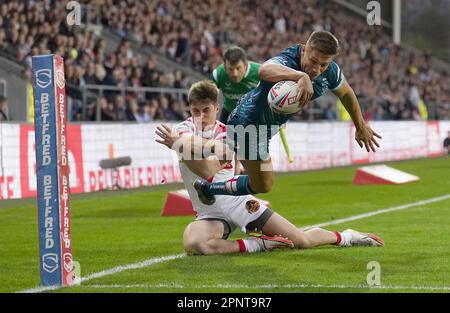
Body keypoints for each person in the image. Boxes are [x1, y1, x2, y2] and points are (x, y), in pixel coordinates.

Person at [155, 80, 384, 255]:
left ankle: (346, 236)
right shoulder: (183, 128)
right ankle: (258, 244)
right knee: (194, 244)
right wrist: (185, 145)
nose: (200, 117)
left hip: (240, 203)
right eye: (196, 111)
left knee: (301, 241)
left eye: (206, 110)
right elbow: (192, 149)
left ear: (217, 107)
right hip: (209, 214)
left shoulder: (229, 132)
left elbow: (208, 170)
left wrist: (183, 146)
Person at [194, 31, 382, 204]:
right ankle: (206, 182)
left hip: (266, 129)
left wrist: (360, 125)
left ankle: (207, 183)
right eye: (313, 60)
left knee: (261, 182)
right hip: (247, 125)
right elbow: (264, 70)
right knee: (262, 184)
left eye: (323, 64)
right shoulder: (290, 57)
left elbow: (346, 93)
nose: (317, 69)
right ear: (304, 49)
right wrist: (300, 76)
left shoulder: (330, 72)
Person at [210, 46, 260, 124]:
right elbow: (206, 99)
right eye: (230, 69)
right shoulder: (218, 75)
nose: (235, 74)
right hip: (229, 114)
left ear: (245, 65)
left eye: (238, 68)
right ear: (225, 67)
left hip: (254, 116)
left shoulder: (260, 72)